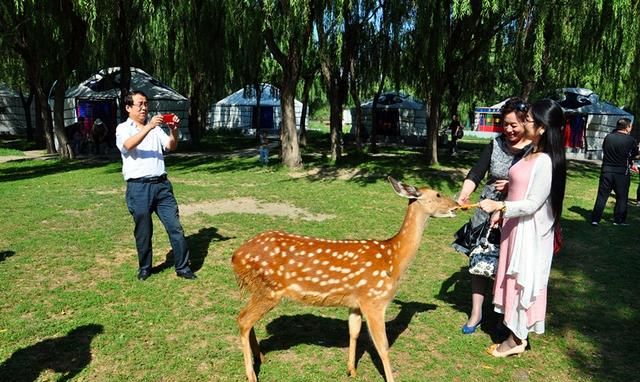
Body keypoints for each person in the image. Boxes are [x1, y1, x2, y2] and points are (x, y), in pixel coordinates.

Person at [478, 99, 567, 357]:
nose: (524, 121)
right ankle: (512, 330)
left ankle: (517, 339)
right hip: (514, 228)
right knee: (511, 279)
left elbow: (532, 204)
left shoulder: (545, 162)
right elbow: (522, 189)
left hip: (528, 233)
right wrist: (506, 199)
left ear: (540, 128)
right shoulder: (531, 153)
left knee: (522, 281)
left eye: (528, 119)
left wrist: (499, 207)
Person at [453, 97, 531, 334]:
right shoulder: (496, 144)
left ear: (526, 123)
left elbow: (535, 185)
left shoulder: (534, 149)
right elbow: (476, 173)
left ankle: (503, 317)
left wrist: (511, 186)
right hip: (486, 211)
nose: (508, 129)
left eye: (514, 125)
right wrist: (464, 194)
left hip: (514, 212)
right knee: (479, 262)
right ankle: (476, 313)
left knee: (507, 266)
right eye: (505, 124)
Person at [115, 90, 196, 281]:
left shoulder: (156, 128)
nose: (144, 107)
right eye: (139, 104)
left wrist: (173, 129)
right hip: (138, 187)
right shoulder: (123, 128)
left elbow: (170, 146)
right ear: (128, 108)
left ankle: (183, 267)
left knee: (175, 227)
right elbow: (128, 145)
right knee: (144, 231)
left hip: (162, 186)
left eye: (146, 104)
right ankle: (145, 267)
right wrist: (149, 127)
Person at [590, 118, 638, 226]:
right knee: (622, 197)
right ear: (627, 127)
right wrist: (632, 162)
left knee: (602, 196)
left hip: (606, 171)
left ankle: (595, 219)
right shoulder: (630, 140)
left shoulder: (608, 137)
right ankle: (619, 220)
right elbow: (634, 154)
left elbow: (605, 150)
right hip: (621, 173)